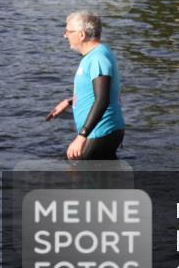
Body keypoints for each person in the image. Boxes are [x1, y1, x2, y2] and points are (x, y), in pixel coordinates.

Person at [46, 11, 125, 160]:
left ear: (81, 34)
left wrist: (82, 136)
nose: (65, 35)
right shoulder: (100, 53)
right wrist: (70, 102)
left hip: (99, 133)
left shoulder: (98, 58)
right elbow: (105, 91)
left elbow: (102, 99)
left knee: (79, 179)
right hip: (105, 131)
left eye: (68, 31)